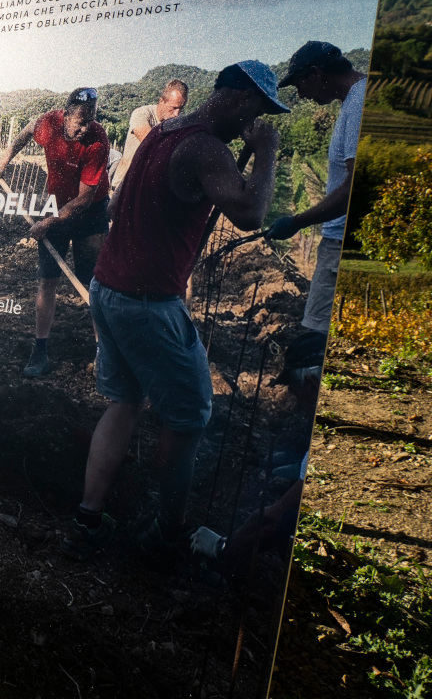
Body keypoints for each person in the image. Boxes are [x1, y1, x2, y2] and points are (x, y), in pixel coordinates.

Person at [62, 61, 287, 560]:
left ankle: (88, 516)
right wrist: (267, 153)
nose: (254, 123)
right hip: (148, 304)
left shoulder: (164, 132)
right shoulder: (206, 147)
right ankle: (169, 533)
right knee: (188, 420)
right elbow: (250, 213)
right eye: (257, 110)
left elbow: (121, 207)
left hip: (109, 288)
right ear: (239, 97)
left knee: (124, 402)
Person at [0, 87, 110, 377]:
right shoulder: (49, 124)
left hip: (90, 212)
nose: (84, 128)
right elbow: (27, 130)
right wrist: (5, 159)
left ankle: (103, 354)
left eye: (90, 121)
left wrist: (48, 223)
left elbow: (83, 200)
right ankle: (39, 351)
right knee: (48, 279)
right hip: (56, 207)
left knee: (92, 283)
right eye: (80, 121)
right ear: (65, 115)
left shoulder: (98, 139)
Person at [266, 41, 366, 364]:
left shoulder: (359, 103)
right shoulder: (354, 100)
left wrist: (297, 221)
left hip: (339, 245)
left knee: (314, 347)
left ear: (317, 73)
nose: (303, 95)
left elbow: (353, 188)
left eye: (301, 85)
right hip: (339, 243)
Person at [110, 79, 189, 193]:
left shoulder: (175, 126)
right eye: (174, 108)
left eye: (180, 109)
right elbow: (150, 142)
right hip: (123, 186)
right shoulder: (142, 113)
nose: (176, 114)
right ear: (161, 101)